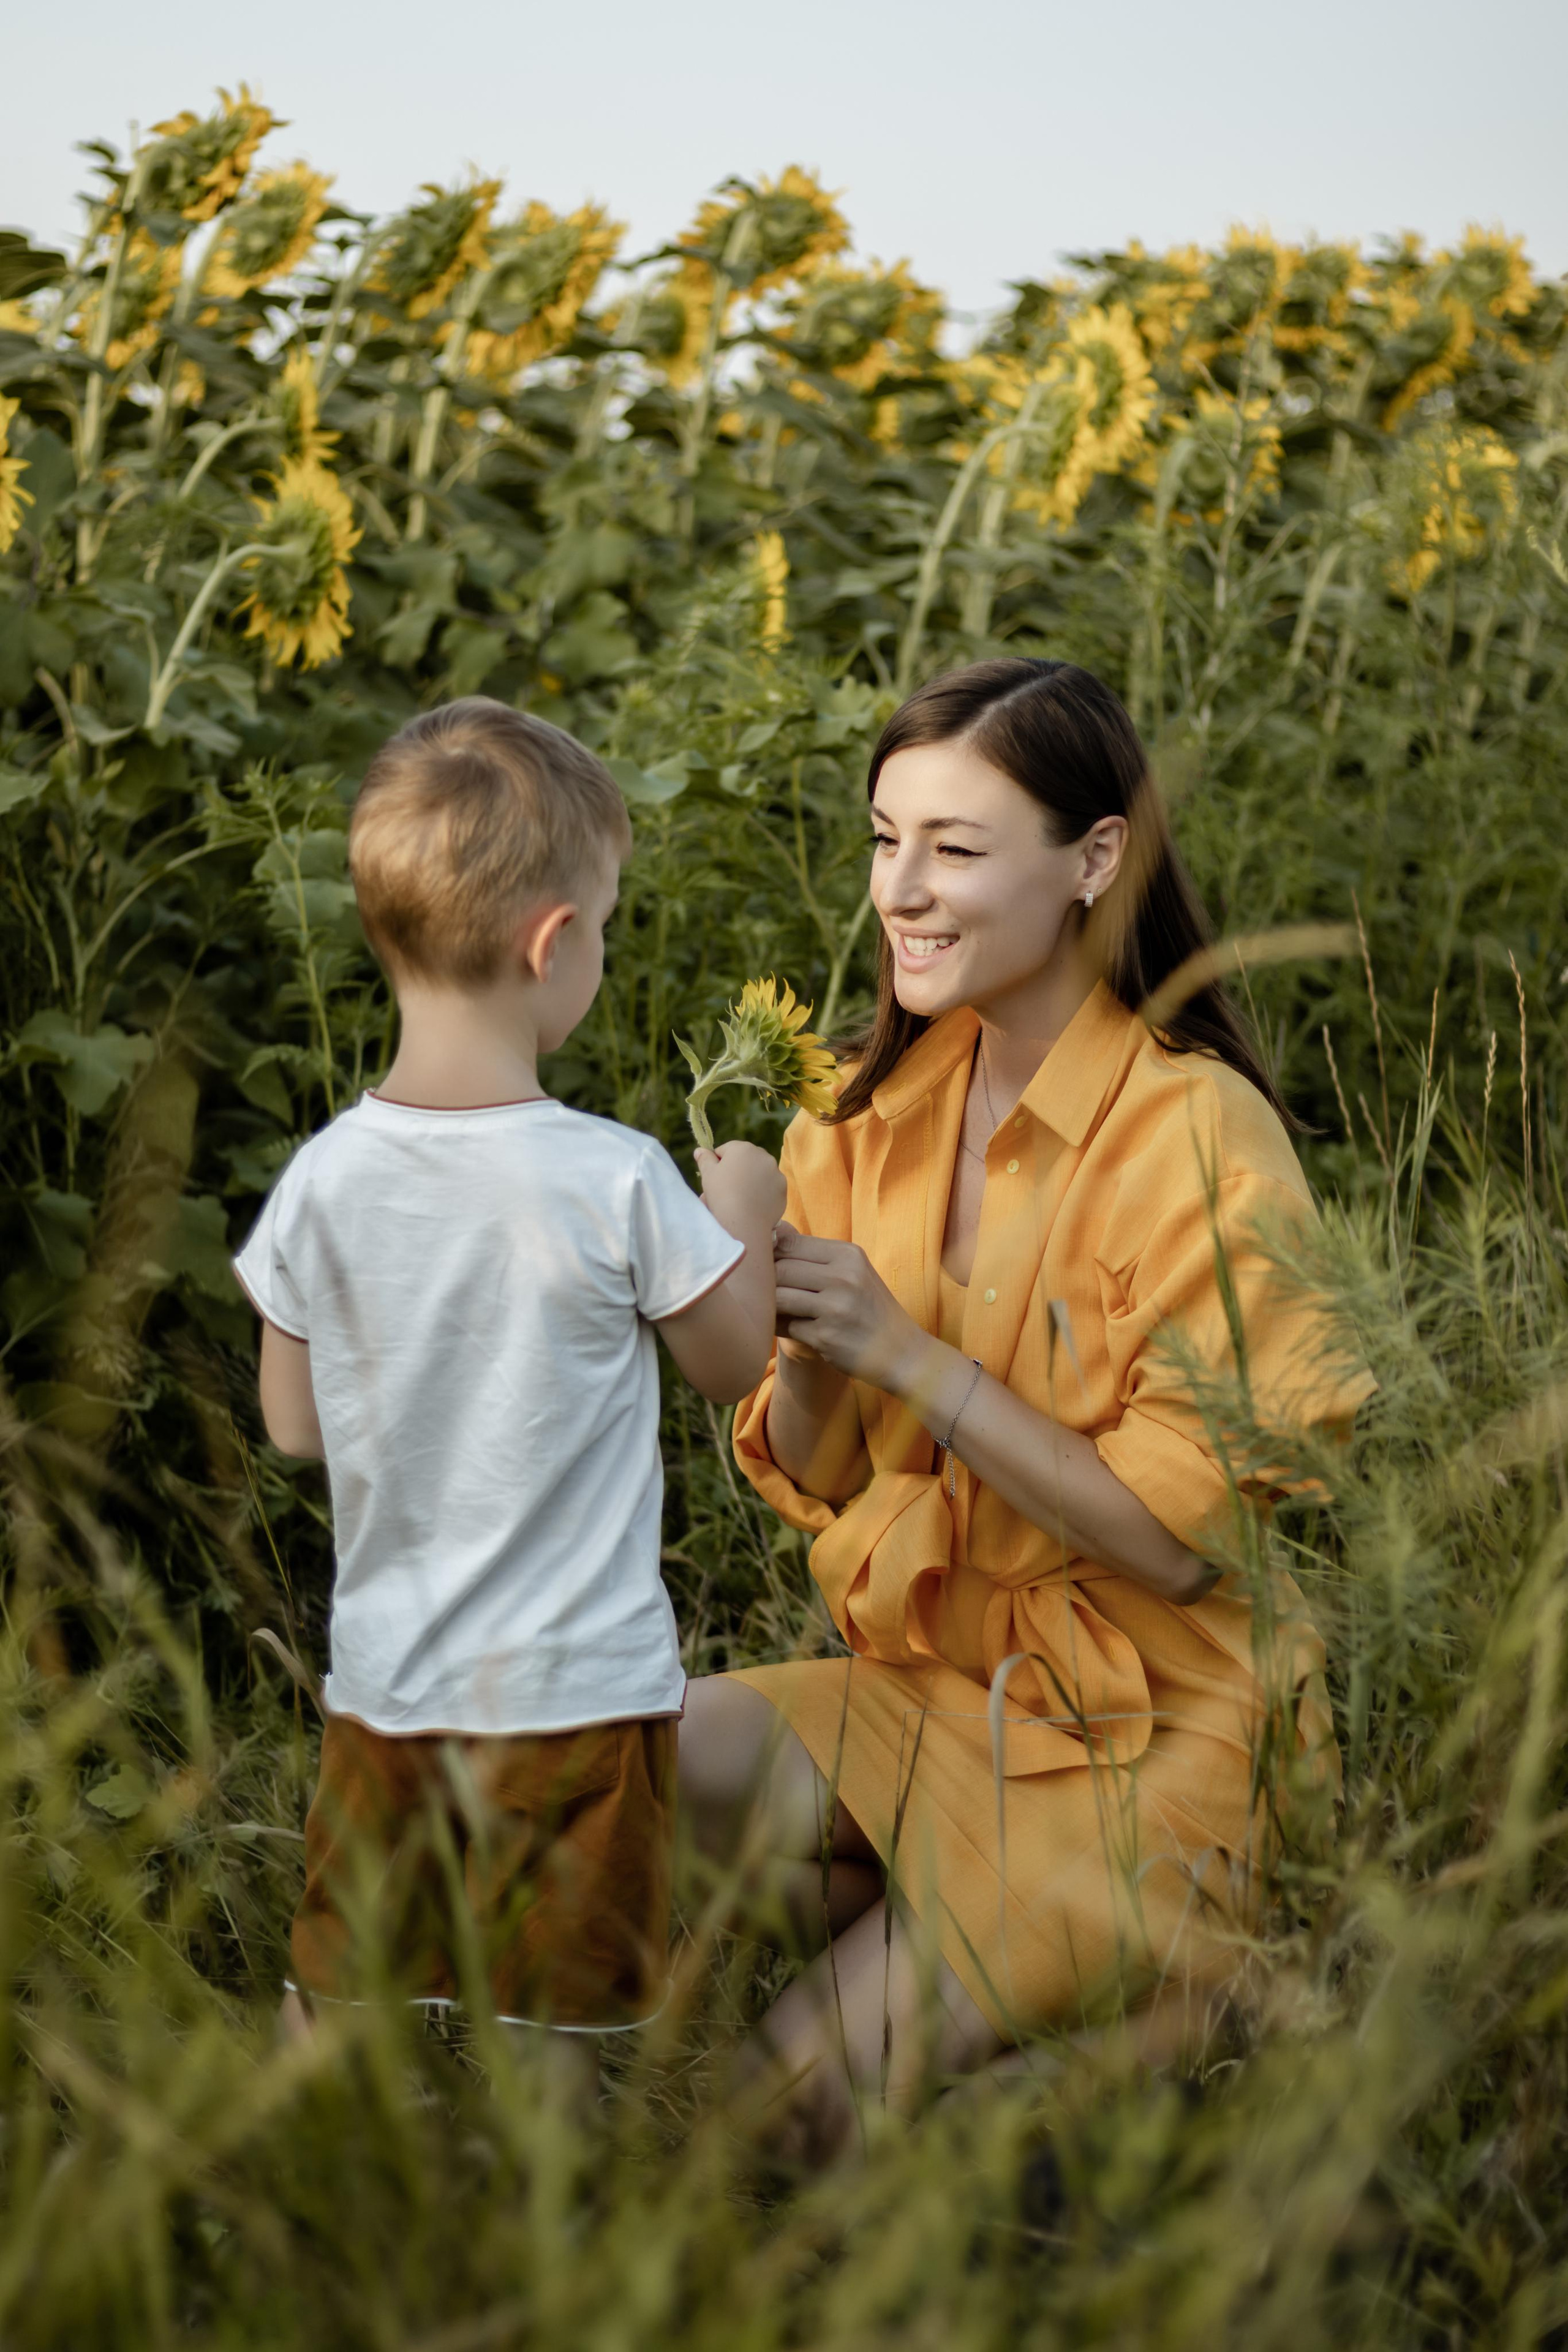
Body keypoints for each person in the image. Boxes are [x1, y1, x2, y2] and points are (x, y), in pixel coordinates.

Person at [677, 657, 1374, 2162]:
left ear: (1092, 861)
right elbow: (804, 1466)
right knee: (608, 1771)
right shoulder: (854, 1112)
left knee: (768, 2120)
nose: (900, 892)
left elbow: (1181, 1549)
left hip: (1160, 1746)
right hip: (938, 1703)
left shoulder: (1195, 1133)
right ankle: (1010, 1984)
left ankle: (1154, 1982)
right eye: (883, 839)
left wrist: (912, 1355)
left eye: (955, 847)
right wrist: (799, 1329)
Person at [233, 696, 785, 2085]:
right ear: (553, 944)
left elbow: (293, 1430)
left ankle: (284, 2212)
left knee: (348, 1986)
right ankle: (534, 2252)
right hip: (577, 1705)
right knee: (554, 2031)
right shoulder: (612, 1176)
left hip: (390, 1690)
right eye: (598, 926)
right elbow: (732, 1368)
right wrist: (750, 1212)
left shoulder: (324, 1179)